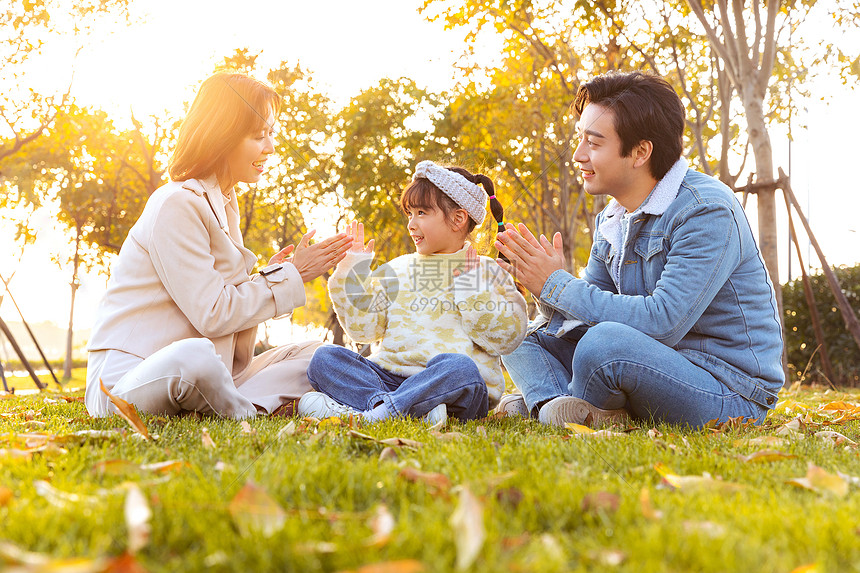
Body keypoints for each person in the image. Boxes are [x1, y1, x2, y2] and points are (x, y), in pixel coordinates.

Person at [495, 70, 784, 429]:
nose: (578, 155)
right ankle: (555, 406)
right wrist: (544, 292)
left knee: (603, 346)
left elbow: (662, 323)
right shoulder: (611, 219)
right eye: (580, 140)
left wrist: (558, 284)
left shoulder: (705, 210)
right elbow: (590, 312)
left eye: (594, 143)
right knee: (518, 334)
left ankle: (548, 401)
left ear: (640, 152)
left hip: (727, 390)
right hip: (654, 366)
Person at [85, 72, 353, 419]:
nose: (270, 147)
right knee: (195, 357)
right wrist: (291, 275)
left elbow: (224, 309)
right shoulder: (177, 203)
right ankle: (246, 413)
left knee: (318, 354)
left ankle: (235, 401)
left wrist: (267, 277)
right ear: (223, 137)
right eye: (260, 136)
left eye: (270, 134)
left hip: (215, 372)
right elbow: (212, 313)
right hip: (128, 381)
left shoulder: (224, 203)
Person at [297, 160, 528, 424]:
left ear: (458, 218)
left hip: (451, 387)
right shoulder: (398, 268)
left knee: (460, 368)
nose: (411, 224)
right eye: (409, 214)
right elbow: (365, 330)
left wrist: (472, 290)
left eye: (421, 213)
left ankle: (373, 410)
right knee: (325, 358)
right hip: (390, 378)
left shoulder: (486, 270)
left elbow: (507, 339)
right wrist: (353, 271)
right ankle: (392, 409)